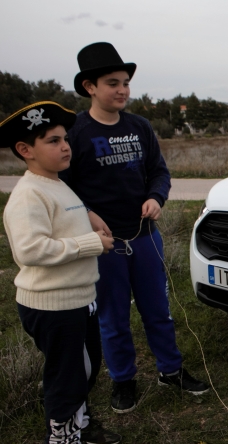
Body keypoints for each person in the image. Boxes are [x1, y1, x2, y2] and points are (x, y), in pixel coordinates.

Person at [60, 42, 209, 414]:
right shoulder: (75, 132)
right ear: (90, 87)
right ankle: (123, 380)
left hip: (145, 239)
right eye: (113, 83)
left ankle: (170, 370)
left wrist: (157, 197)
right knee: (113, 318)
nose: (122, 89)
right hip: (104, 245)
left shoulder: (139, 127)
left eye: (125, 82)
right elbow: (62, 186)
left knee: (158, 310)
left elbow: (159, 171)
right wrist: (87, 213)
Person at [1, 101, 120, 444]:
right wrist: (89, 243)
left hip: (78, 298)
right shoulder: (28, 194)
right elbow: (31, 249)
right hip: (53, 305)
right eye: (52, 141)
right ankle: (63, 437)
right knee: (67, 378)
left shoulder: (55, 182)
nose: (65, 146)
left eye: (64, 138)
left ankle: (79, 423)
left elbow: (65, 215)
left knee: (85, 368)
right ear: (26, 150)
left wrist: (89, 214)